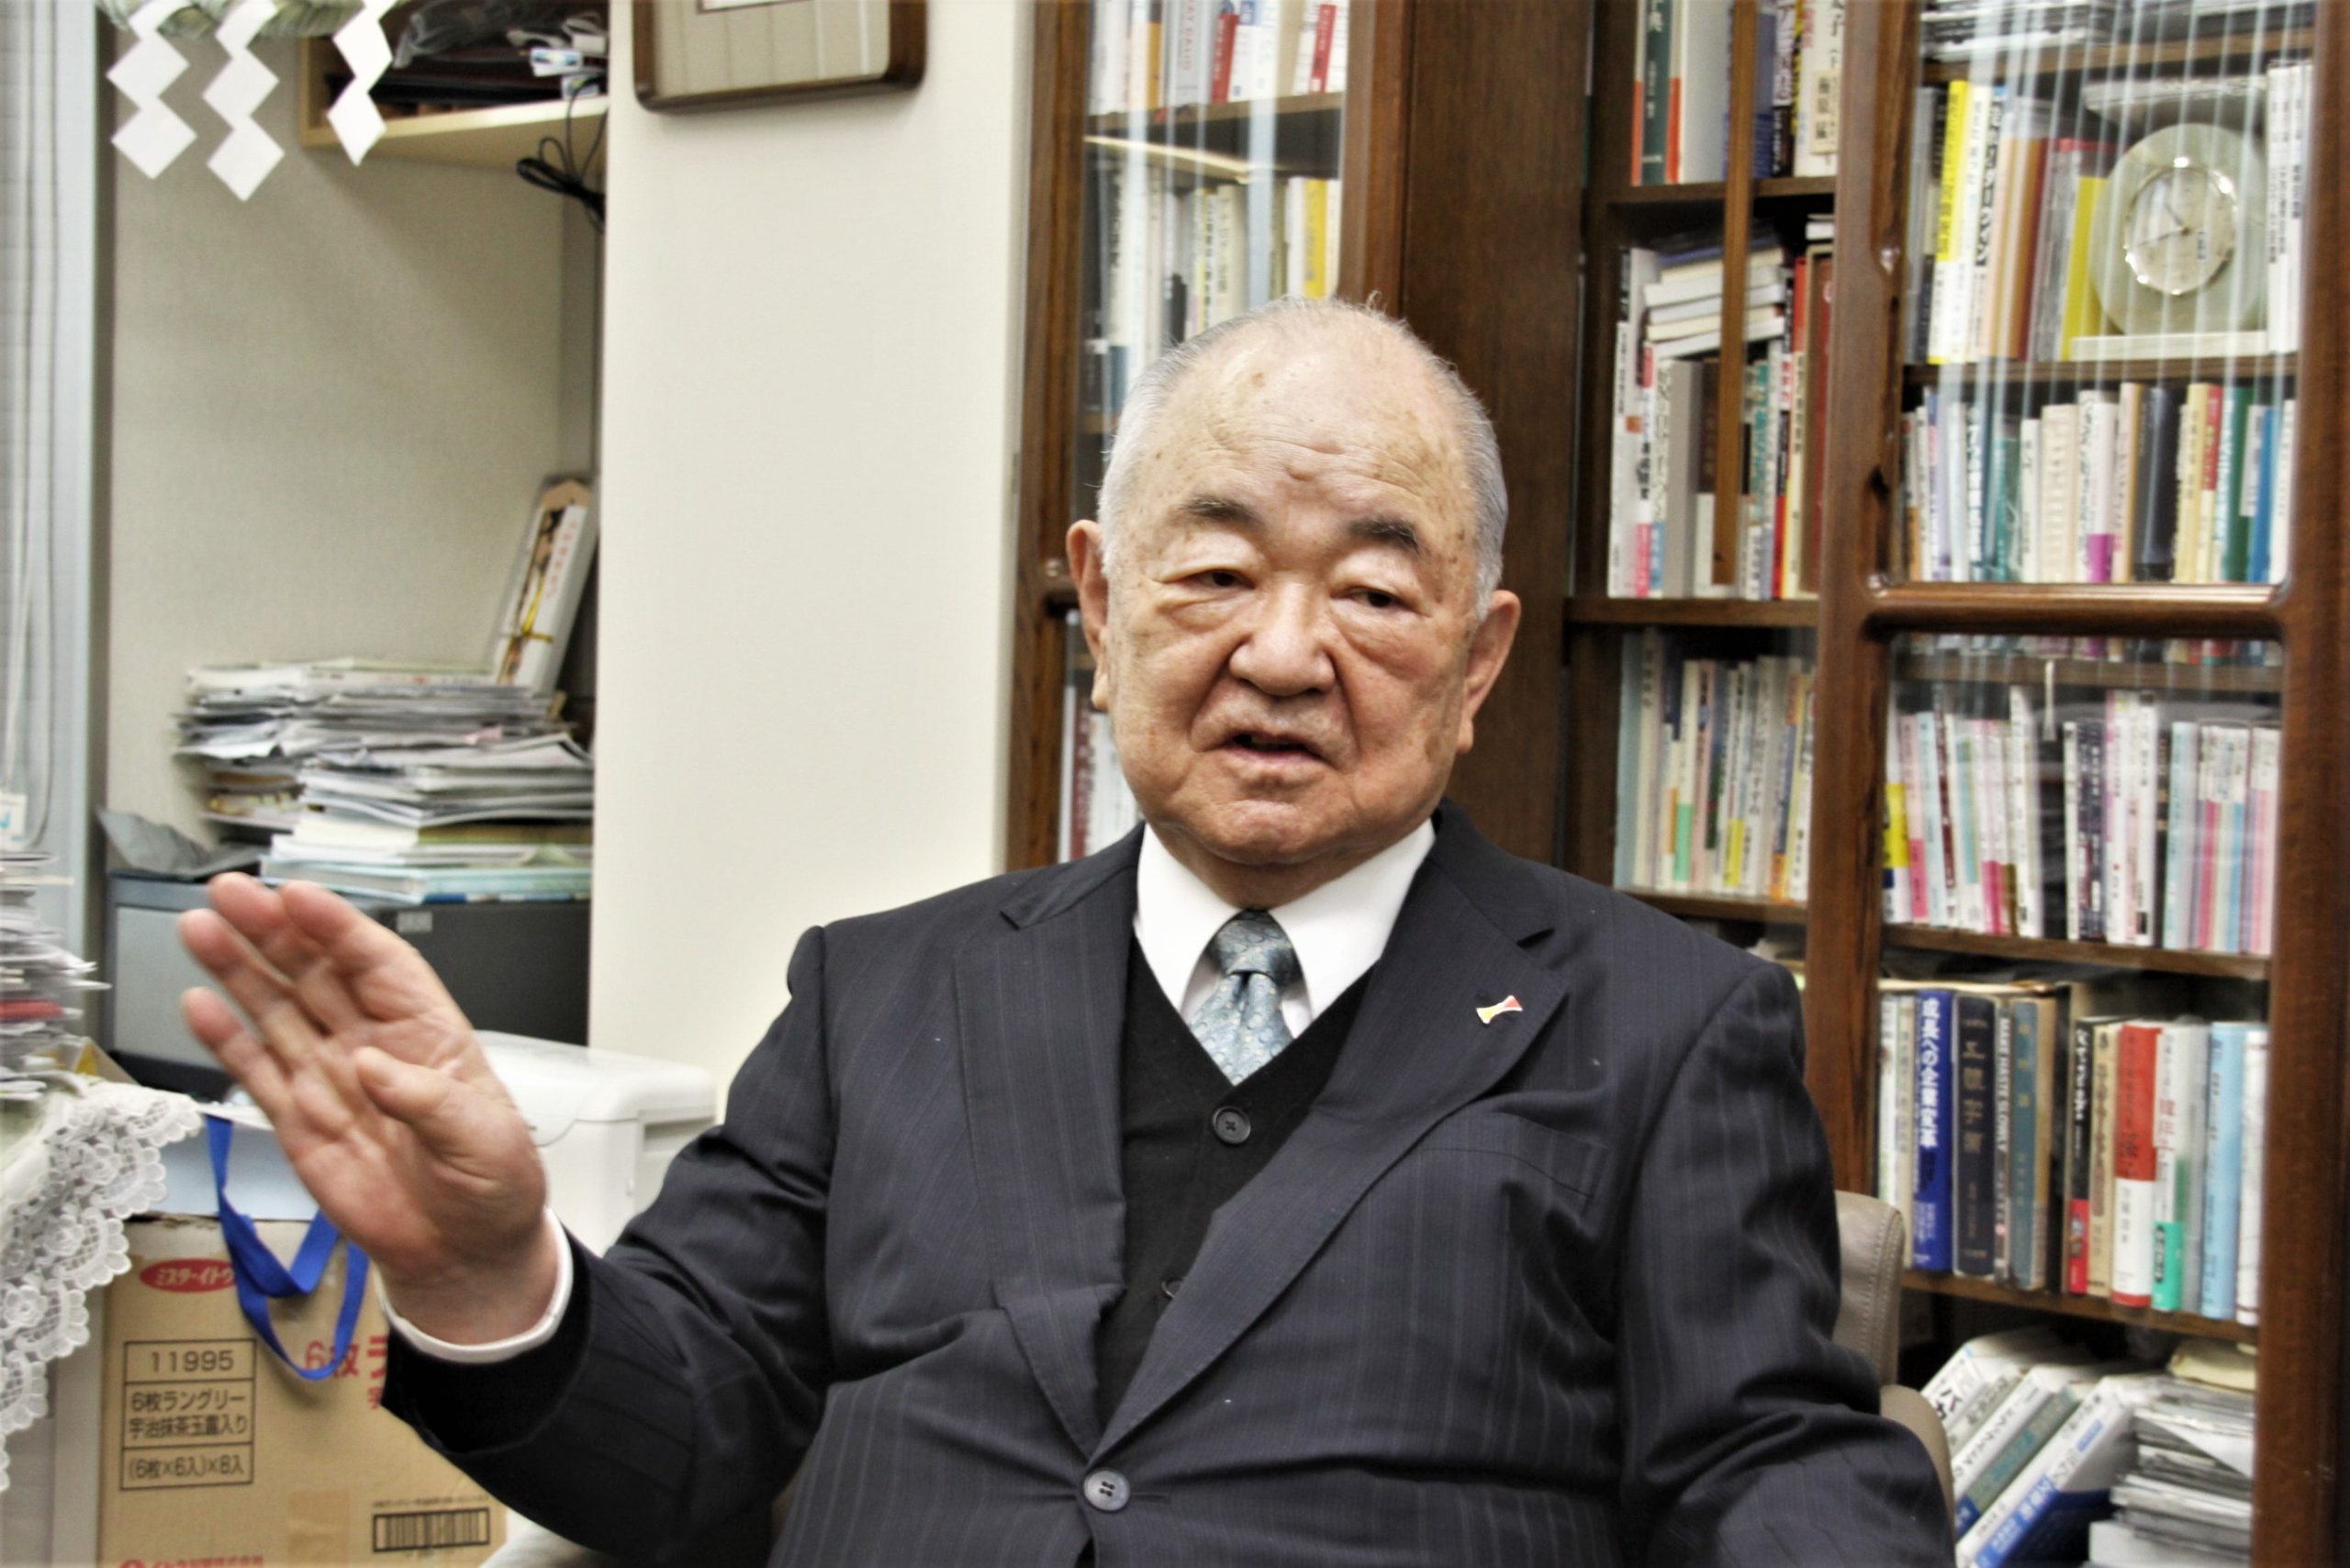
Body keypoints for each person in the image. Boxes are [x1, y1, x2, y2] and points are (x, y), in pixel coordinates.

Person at [178, 299, 1953, 1566]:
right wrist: (490, 1272)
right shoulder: (883, 994)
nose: (1283, 654)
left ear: (1476, 661)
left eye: (1373, 591)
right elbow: (683, 1455)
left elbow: (1771, 1470)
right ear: (1102, 605)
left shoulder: (1663, 1028)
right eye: (1217, 572)